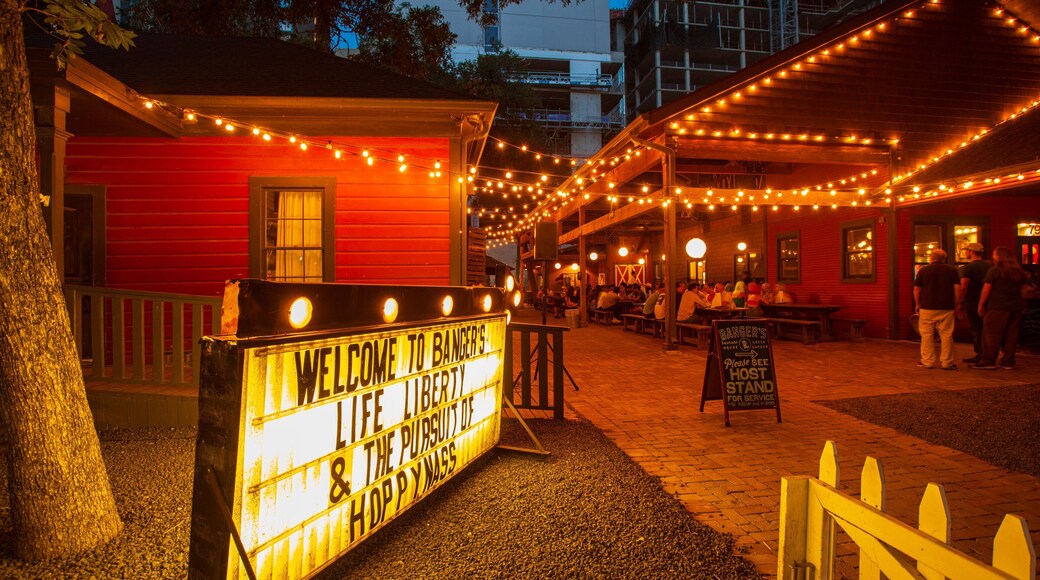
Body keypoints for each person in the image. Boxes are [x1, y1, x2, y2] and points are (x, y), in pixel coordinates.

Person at [973, 246, 1031, 370]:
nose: (993, 256)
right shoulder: (1019, 271)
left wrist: (981, 304)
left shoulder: (995, 270)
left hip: (998, 306)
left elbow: (986, 288)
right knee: (1012, 334)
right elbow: (1024, 290)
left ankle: (988, 360)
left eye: (994, 254)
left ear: (999, 256)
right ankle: (1008, 361)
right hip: (1016, 306)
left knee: (991, 333)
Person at [913, 248, 961, 370]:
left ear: (931, 258)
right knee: (946, 334)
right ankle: (947, 362)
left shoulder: (924, 271)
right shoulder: (952, 270)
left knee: (926, 334)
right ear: (944, 258)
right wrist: (957, 304)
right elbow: (957, 288)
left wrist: (917, 304)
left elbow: (917, 289)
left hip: (927, 306)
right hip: (946, 307)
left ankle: (927, 361)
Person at [958, 242, 990, 363]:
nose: (965, 252)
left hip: (972, 301)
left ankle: (980, 353)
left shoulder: (969, 268)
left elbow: (964, 286)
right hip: (987, 301)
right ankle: (987, 352)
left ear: (971, 252)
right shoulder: (988, 266)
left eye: (966, 250)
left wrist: (959, 302)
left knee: (976, 328)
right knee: (985, 328)